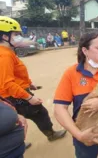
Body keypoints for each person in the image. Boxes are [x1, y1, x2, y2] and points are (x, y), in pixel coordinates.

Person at [53, 32, 98, 158]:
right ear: (85, 50)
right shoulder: (71, 74)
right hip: (84, 131)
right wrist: (79, 135)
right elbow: (59, 109)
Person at [0, 16, 67, 149]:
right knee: (40, 113)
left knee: (17, 121)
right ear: (5, 36)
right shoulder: (5, 55)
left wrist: (29, 84)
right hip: (15, 95)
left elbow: (16, 74)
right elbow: (7, 83)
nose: (19, 37)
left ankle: (16, 143)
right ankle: (51, 134)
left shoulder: (8, 52)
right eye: (16, 34)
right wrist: (29, 97)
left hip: (14, 93)